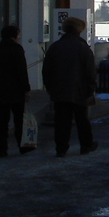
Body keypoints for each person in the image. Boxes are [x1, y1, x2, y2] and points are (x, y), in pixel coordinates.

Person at [41, 16, 98, 157]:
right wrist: (90, 90)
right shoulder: (83, 48)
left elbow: (46, 70)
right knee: (82, 120)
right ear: (79, 30)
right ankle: (86, 145)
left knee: (61, 121)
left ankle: (61, 148)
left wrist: (50, 88)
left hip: (59, 90)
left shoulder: (55, 47)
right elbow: (90, 71)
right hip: (80, 90)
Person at [0, 24, 31, 157]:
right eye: (18, 35)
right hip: (16, 89)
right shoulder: (17, 49)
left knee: (3, 120)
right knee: (19, 119)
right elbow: (21, 71)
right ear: (14, 36)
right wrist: (26, 89)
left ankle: (1, 148)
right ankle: (22, 146)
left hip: (2, 89)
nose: (19, 37)